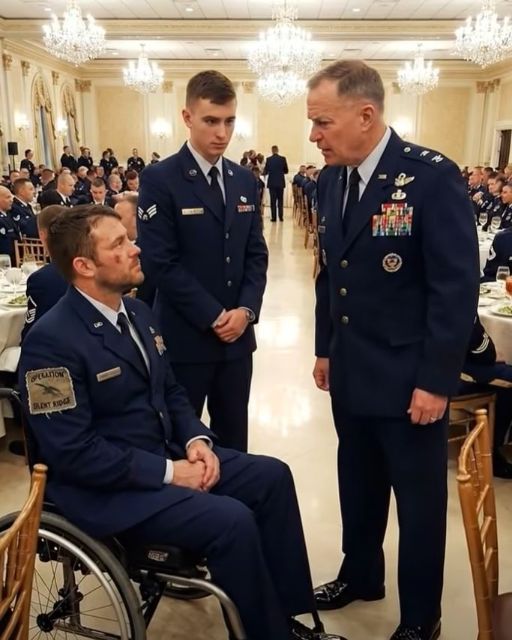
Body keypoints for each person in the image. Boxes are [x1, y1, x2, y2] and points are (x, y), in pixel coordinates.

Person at [19, 204, 346, 640]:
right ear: (84, 266)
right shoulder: (50, 343)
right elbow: (73, 452)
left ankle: (289, 616)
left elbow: (170, 390)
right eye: (119, 244)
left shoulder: (138, 313)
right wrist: (172, 473)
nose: (135, 249)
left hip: (161, 454)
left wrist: (196, 440)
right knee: (231, 520)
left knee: (272, 477)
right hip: (104, 490)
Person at [307, 60, 479, 640]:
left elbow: (454, 289)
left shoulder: (430, 177)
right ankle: (361, 575)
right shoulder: (332, 179)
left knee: (418, 504)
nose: (314, 135)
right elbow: (330, 274)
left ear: (366, 114)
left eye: (323, 122)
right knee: (356, 485)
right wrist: (325, 348)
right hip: (352, 370)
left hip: (410, 380)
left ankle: (421, 617)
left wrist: (436, 381)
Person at [137, 70, 268, 453]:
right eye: (211, 121)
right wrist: (214, 316)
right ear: (187, 117)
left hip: (237, 341)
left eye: (229, 121)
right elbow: (160, 262)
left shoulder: (243, 179)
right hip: (185, 338)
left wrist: (246, 310)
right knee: (182, 442)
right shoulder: (160, 178)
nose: (222, 133)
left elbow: (256, 254)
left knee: (234, 441)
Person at [461, 315, 512, 479]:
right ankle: (490, 452)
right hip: (455, 372)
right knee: (507, 380)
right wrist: (492, 354)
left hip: (436, 366)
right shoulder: (459, 300)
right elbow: (481, 349)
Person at [21, 204, 69, 341]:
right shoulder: (96, 267)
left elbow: (32, 332)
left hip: (58, 347)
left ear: (42, 235)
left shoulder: (41, 279)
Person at [264, 145, 289, 222]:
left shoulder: (268, 159)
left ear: (272, 151)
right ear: (278, 150)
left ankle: (274, 218)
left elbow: (266, 171)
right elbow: (286, 171)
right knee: (280, 200)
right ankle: (281, 217)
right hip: (280, 182)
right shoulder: (283, 159)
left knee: (273, 201)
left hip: (272, 183)